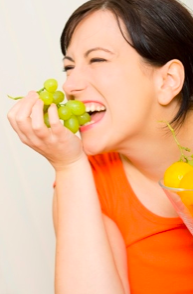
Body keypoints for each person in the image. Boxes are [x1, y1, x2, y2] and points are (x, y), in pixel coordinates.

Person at [7, 0, 193, 293]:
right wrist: (69, 167)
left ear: (168, 80)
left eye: (97, 60)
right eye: (69, 67)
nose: (69, 86)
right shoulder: (87, 184)